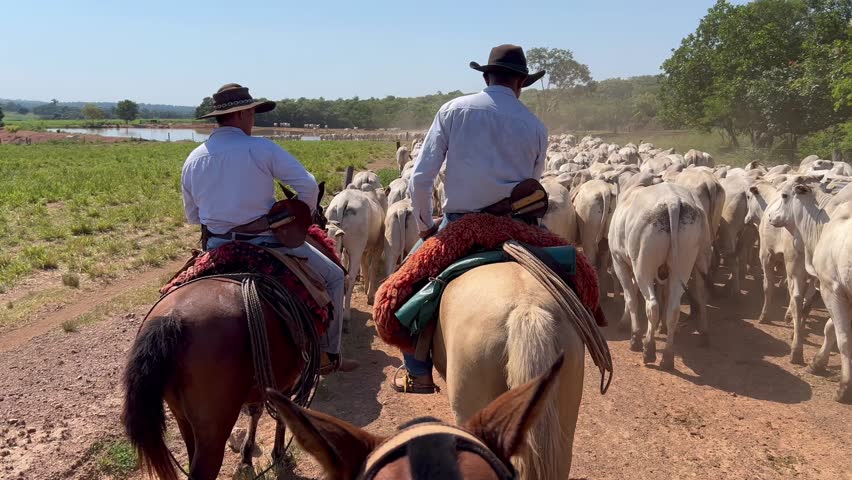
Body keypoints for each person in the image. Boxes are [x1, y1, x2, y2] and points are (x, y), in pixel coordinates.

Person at [396, 45, 548, 393]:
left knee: (402, 286)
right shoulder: (535, 125)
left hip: (460, 226)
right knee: (575, 271)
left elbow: (420, 179)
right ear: (521, 82)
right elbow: (532, 185)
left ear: (485, 76)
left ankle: (417, 371)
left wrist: (425, 227)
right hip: (520, 227)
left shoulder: (453, 110)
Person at [181, 83, 358, 374]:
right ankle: (328, 354)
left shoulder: (193, 158)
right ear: (241, 114)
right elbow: (307, 186)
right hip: (266, 242)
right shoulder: (261, 148)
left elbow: (192, 215)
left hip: (216, 247)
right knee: (336, 277)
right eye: (252, 113)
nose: (253, 119)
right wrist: (298, 216)